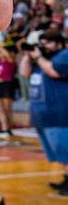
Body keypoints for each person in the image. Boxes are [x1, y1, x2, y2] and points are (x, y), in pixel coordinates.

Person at [21, 31, 68, 195]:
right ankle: (66, 179)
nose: (44, 45)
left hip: (60, 114)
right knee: (59, 153)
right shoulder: (40, 60)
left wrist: (39, 57)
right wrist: (28, 56)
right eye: (42, 42)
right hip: (43, 115)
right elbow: (24, 73)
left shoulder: (64, 55)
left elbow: (54, 71)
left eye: (48, 42)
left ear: (59, 43)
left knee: (65, 150)